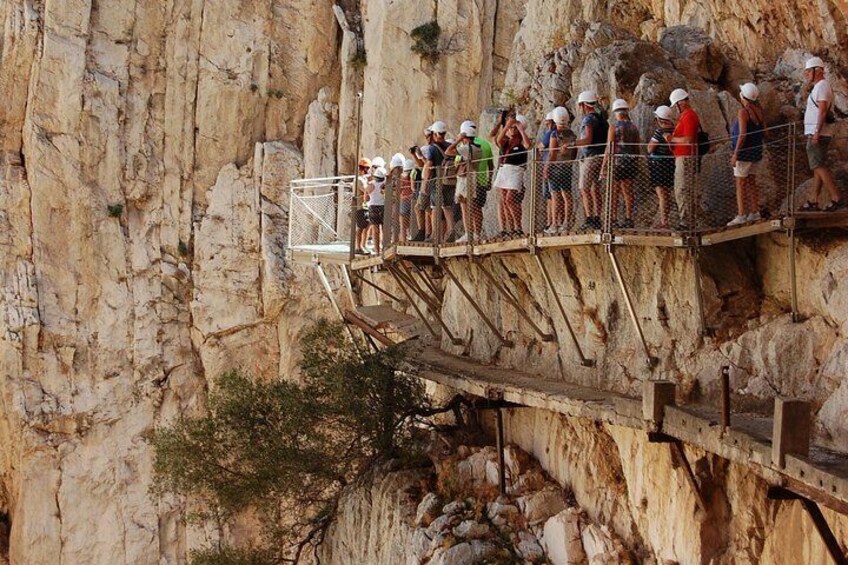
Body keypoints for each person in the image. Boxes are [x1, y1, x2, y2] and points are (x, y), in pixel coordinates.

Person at [799, 56, 843, 212]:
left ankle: (836, 197)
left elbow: (823, 110)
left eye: (807, 71)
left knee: (817, 165)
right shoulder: (820, 86)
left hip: (818, 133)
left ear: (816, 71)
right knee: (817, 165)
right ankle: (813, 200)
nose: (805, 75)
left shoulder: (822, 86)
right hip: (817, 132)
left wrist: (816, 132)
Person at [447, 120, 494, 242]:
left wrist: (458, 140)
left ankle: (469, 233)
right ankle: (476, 233)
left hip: (467, 179)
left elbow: (448, 151)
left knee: (465, 206)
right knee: (475, 207)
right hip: (479, 179)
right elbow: (491, 164)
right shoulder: (481, 146)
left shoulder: (466, 148)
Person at [727, 83, 766, 226]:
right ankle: (755, 212)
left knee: (740, 184)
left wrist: (735, 154)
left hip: (744, 152)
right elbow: (764, 132)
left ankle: (741, 214)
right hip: (756, 152)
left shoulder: (743, 112)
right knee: (751, 182)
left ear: (743, 96)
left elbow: (742, 134)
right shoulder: (759, 111)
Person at [570, 90, 608, 230]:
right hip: (600, 156)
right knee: (595, 189)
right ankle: (597, 218)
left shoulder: (588, 120)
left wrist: (572, 144)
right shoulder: (601, 119)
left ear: (583, 105)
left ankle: (589, 218)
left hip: (590, 157)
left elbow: (587, 139)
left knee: (584, 188)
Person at [602, 99, 640, 228]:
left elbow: (609, 147)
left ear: (615, 112)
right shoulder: (634, 127)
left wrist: (604, 165)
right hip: (630, 162)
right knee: (628, 192)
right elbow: (637, 147)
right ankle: (629, 218)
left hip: (617, 163)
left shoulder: (614, 127)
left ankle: (613, 219)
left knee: (614, 192)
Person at [666, 88, 701, 229]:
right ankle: (687, 220)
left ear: (681, 103)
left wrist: (672, 139)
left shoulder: (689, 116)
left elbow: (689, 139)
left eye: (676, 105)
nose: (676, 108)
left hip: (686, 157)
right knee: (682, 189)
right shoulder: (685, 116)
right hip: (682, 157)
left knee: (682, 189)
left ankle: (686, 221)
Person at [493, 114, 531, 236]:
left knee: (510, 199)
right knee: (504, 200)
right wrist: (507, 125)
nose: (511, 130)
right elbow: (498, 140)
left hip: (515, 171)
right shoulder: (507, 141)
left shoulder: (521, 141)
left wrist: (520, 129)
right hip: (504, 170)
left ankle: (518, 226)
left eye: (514, 128)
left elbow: (528, 145)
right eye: (511, 128)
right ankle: (511, 228)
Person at [545, 106, 578, 233]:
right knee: (567, 196)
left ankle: (554, 224)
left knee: (555, 196)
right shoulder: (572, 134)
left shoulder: (554, 134)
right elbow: (574, 151)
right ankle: (566, 223)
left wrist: (547, 168)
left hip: (555, 168)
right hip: (567, 167)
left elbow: (552, 154)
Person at [419, 121, 452, 242]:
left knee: (435, 208)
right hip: (449, 180)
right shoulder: (449, 145)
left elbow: (429, 165)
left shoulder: (432, 149)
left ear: (433, 133)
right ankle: (450, 231)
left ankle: (435, 236)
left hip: (436, 181)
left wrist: (425, 184)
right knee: (447, 207)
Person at [647, 106, 675, 229]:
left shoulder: (660, 131)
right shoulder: (675, 129)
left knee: (661, 193)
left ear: (659, 119)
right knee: (667, 193)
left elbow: (650, 148)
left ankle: (664, 221)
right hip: (670, 164)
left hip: (658, 165)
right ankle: (666, 219)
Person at [538, 111, 557, 233]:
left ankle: (551, 222)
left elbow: (540, 147)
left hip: (549, 167)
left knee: (550, 197)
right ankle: (552, 222)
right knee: (553, 196)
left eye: (547, 123)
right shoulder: (561, 133)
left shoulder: (550, 133)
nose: (546, 126)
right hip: (556, 167)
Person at [366, 166, 387, 255]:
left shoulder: (371, 184)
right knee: (384, 229)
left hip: (373, 206)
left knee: (375, 230)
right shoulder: (386, 184)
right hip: (383, 207)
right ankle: (385, 249)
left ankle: (377, 250)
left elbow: (366, 197)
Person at [354, 158, 371, 254]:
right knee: (361, 227)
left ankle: (363, 245)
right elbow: (366, 190)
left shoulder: (363, 178)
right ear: (364, 168)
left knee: (367, 226)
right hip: (361, 206)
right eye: (368, 168)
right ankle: (358, 247)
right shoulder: (359, 180)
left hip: (365, 206)